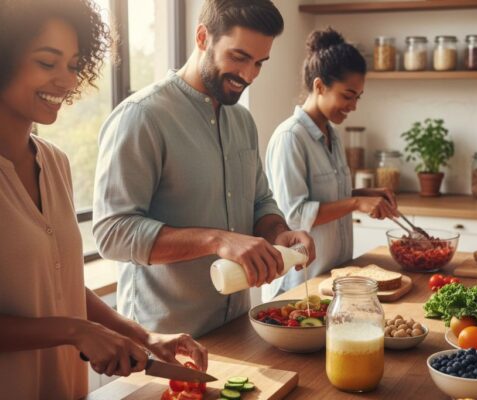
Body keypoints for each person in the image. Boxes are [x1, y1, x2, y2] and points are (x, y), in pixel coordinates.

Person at [0, 0, 207, 398]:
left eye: (74, 65)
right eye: (47, 63)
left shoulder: (55, 163)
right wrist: (77, 331)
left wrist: (146, 337)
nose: (66, 80)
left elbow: (58, 282)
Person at [92, 0, 315, 338]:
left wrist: (278, 231)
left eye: (259, 63)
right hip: (165, 341)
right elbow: (113, 234)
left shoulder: (242, 121)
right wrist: (217, 240)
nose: (249, 75)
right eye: (239, 57)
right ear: (201, 37)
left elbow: (261, 202)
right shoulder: (142, 117)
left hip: (237, 328)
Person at [262, 28, 400, 300]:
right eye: (347, 95)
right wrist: (355, 204)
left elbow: (327, 199)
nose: (353, 106)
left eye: (357, 97)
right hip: (299, 285)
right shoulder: (290, 137)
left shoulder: (332, 134)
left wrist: (363, 195)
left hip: (331, 278)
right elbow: (295, 215)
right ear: (319, 86)